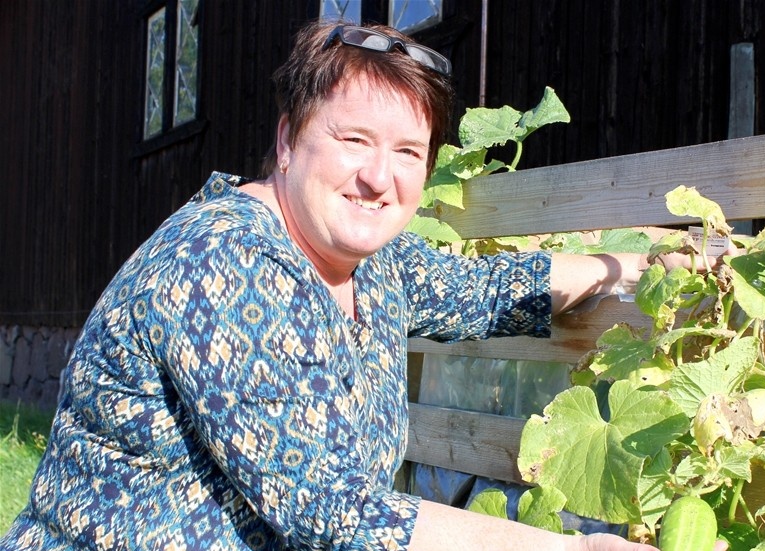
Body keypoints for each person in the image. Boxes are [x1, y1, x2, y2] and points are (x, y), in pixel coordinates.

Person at [1, 21, 728, 551]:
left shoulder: (367, 263)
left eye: (408, 151)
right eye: (354, 141)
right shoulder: (220, 263)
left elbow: (475, 286)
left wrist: (625, 268)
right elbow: (332, 512)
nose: (380, 177)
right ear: (288, 140)